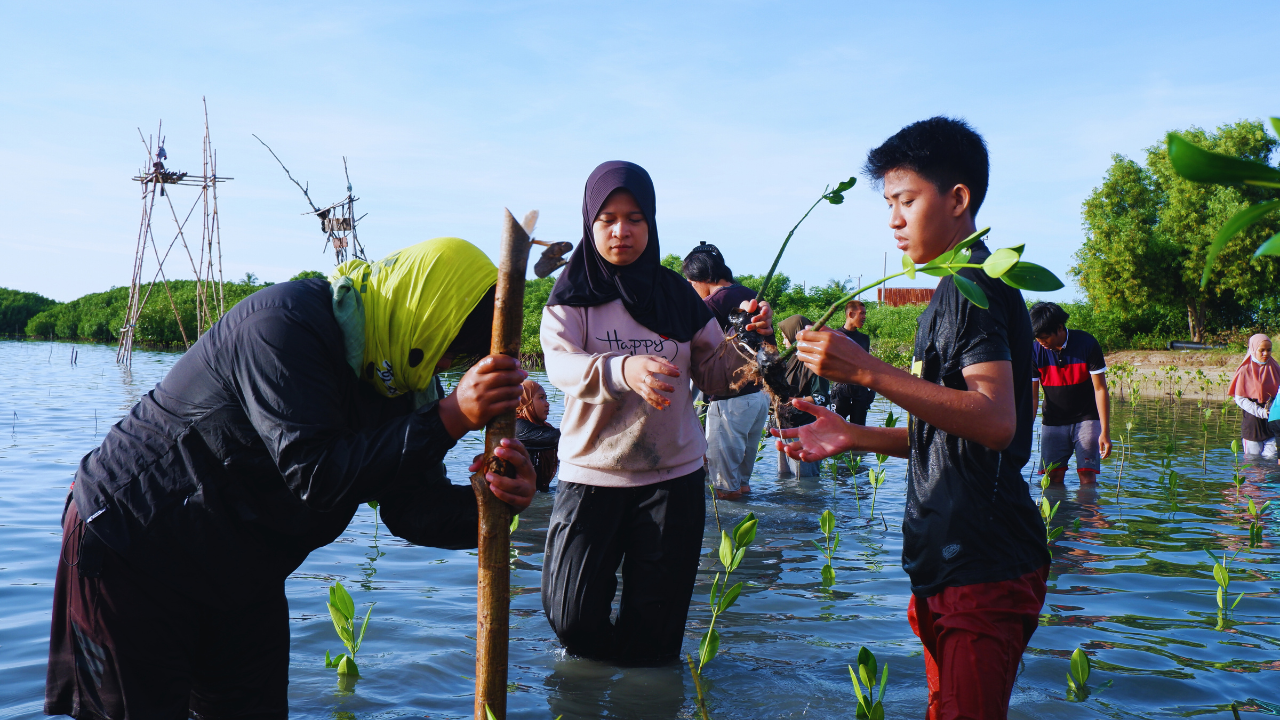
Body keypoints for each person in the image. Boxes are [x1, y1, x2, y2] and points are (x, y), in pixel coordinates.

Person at [45, 237, 538, 719]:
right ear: (426, 313)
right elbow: (317, 475)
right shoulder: (283, 324)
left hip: (241, 572)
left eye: (456, 357)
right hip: (134, 546)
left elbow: (410, 509)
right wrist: (450, 415)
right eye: (448, 346)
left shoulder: (403, 373)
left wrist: (496, 501)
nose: (446, 365)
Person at [773, 117, 1050, 719]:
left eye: (906, 201)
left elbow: (996, 421)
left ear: (958, 199)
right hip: (952, 564)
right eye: (889, 205)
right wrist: (855, 435)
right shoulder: (953, 292)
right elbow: (956, 431)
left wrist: (869, 371)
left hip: (982, 565)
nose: (894, 220)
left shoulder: (972, 287)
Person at [539, 160, 772, 665]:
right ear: (590, 224)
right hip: (592, 474)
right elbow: (560, 365)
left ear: (652, 222)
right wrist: (624, 370)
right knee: (571, 619)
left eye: (636, 218)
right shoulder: (570, 298)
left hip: (673, 480)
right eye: (608, 219)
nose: (622, 230)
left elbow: (714, 373)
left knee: (655, 638)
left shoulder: (677, 296)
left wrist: (753, 340)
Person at [681, 241, 770, 500]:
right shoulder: (751, 294)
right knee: (742, 482)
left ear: (703, 277)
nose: (690, 288)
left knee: (724, 486)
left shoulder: (711, 303)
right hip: (758, 396)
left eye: (690, 282)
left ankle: (729, 536)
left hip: (730, 401)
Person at [1028, 301, 1111, 484]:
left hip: (1087, 419)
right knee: (1052, 478)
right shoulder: (1034, 351)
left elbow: (1100, 389)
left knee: (1087, 476)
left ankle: (1089, 512)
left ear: (1059, 328)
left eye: (1045, 338)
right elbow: (1033, 397)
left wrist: (1105, 431)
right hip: (1053, 421)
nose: (1042, 343)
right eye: (1038, 339)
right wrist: (1025, 429)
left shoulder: (1087, 344)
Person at [775, 314, 830, 479]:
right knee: (784, 479)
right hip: (785, 426)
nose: (784, 342)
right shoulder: (790, 361)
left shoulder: (814, 363)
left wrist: (794, 401)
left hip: (805, 429)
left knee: (805, 481)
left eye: (786, 337)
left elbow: (821, 398)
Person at [1228, 333, 1279, 459]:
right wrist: (1261, 412)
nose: (1266, 353)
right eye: (1261, 350)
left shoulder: (1275, 367)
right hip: (1253, 424)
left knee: (1271, 458)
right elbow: (1240, 398)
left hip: (1272, 421)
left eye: (1268, 350)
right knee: (1253, 462)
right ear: (1253, 350)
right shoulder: (1245, 370)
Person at [830, 299, 876, 426]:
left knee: (859, 433)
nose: (864, 316)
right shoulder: (835, 335)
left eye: (865, 313)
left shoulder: (864, 339)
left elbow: (868, 366)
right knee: (837, 431)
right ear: (850, 314)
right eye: (861, 313)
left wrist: (872, 391)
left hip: (860, 391)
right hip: (840, 390)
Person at [516, 379, 561, 492]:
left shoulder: (544, 427)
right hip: (518, 499)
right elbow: (557, 438)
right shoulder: (516, 426)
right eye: (541, 398)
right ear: (526, 401)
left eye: (546, 398)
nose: (547, 404)